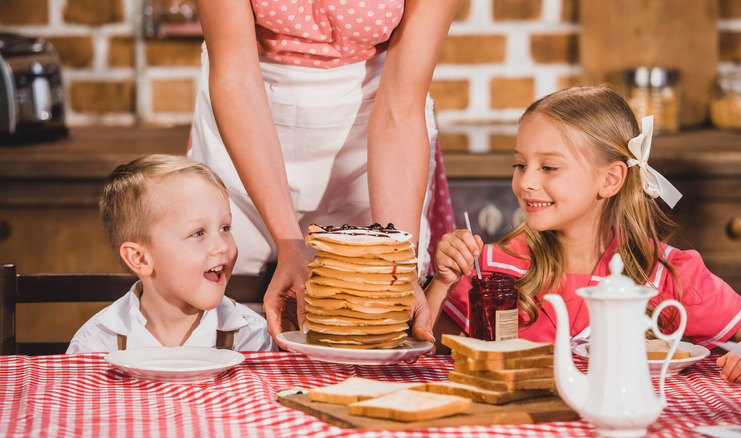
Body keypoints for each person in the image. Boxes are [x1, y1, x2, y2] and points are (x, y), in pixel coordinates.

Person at [426, 86, 741, 385]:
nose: (526, 181)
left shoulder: (663, 273)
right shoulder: (497, 268)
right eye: (520, 164)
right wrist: (442, 281)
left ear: (610, 179)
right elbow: (428, 346)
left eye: (549, 167)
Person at [188, 0, 460, 347]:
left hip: (371, 133)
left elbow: (399, 108)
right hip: (246, 129)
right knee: (229, 317)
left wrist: (394, 262)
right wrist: (288, 243)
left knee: (363, 311)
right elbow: (236, 78)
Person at [67, 154, 276, 354]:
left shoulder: (252, 337)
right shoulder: (97, 343)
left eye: (225, 228)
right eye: (198, 233)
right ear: (139, 258)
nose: (222, 246)